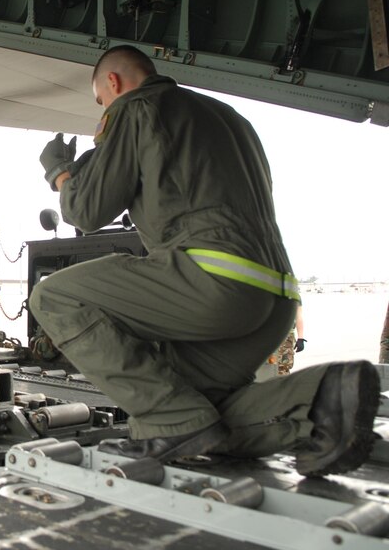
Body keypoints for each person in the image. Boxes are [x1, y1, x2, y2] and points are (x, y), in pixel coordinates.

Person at [30, 45, 379, 476]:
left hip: (213, 285)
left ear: (114, 84)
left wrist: (60, 174)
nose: (103, 108)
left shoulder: (136, 107)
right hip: (275, 296)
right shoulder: (231, 119)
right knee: (198, 411)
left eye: (101, 100)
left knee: (53, 297)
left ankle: (166, 423)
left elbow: (86, 211)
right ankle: (320, 398)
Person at [274, 304, 306, 375]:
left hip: (285, 337)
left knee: (283, 366)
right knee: (265, 367)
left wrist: (300, 338)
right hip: (267, 335)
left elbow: (298, 316)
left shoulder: (292, 294)